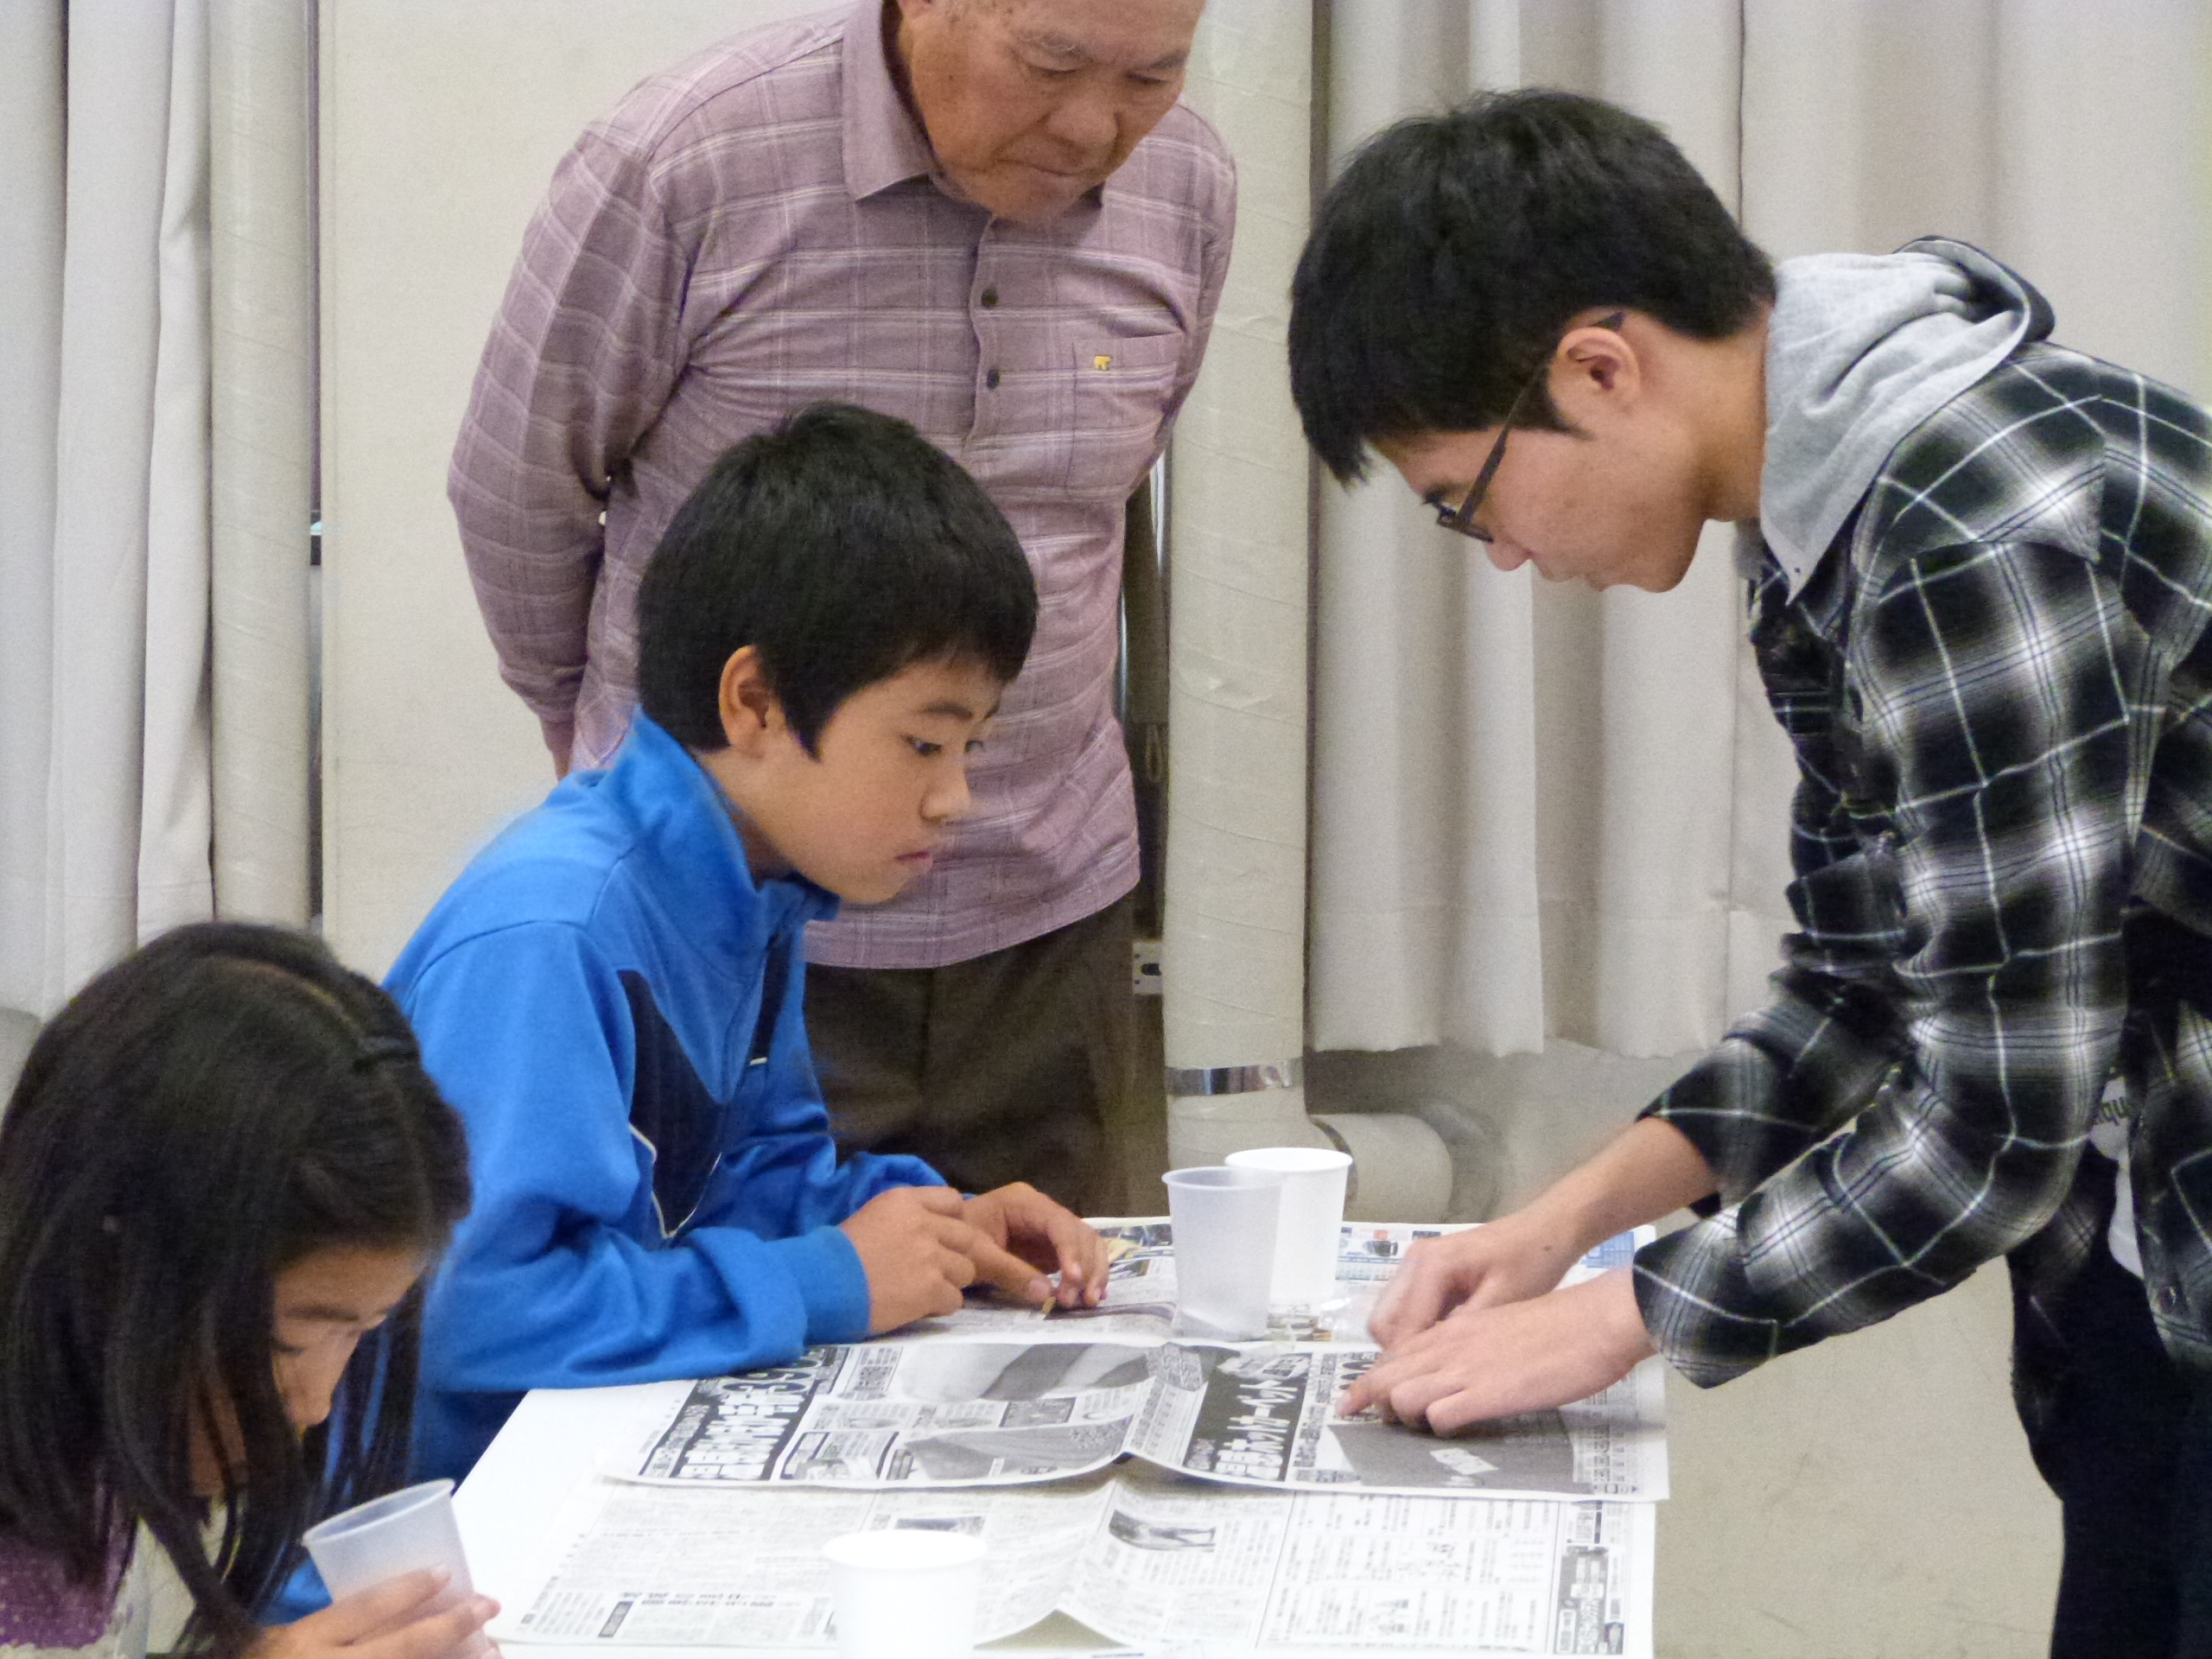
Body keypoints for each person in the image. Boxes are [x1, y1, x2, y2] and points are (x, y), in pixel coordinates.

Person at [1287, 89, 2212, 1658]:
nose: (1504, 555)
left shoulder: (1976, 528)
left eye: (1471, 500)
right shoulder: (1821, 514)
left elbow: (1993, 1125)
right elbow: (1860, 983)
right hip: (2147, 1219)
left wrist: (1624, 1316)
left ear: (1600, 367)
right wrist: (1559, 1227)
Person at [448, 0, 1234, 1214]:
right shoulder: (687, 157)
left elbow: (1110, 503)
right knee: (725, 1292)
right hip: (735, 919)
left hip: (1044, 919)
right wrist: (599, 743)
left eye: (1151, 77)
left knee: (1049, 1288)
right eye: (1051, 63)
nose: (1094, 129)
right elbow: (519, 490)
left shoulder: (1185, 185)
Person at [397, 404, 1109, 1485]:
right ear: (756, 703)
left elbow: (753, 1186)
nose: (954, 798)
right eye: (925, 742)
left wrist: (944, 1229)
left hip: (602, 1459)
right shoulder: (553, 934)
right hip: (466, 1522)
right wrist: (823, 1281)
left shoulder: (755, 887)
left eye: (971, 746)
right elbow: (477, 1312)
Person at [0, 924, 491, 1659]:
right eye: (286, 1344)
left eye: (358, 1334)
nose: (315, 1405)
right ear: (115, 1260)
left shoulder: (91, 1457)